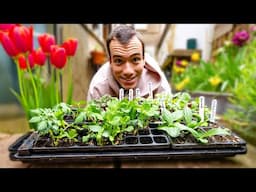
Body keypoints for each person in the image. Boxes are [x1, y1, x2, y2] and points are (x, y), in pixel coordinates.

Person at [87, 24, 171, 101]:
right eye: (119, 61)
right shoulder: (98, 87)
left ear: (144, 59)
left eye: (135, 60)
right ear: (110, 62)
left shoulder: (158, 81)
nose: (128, 71)